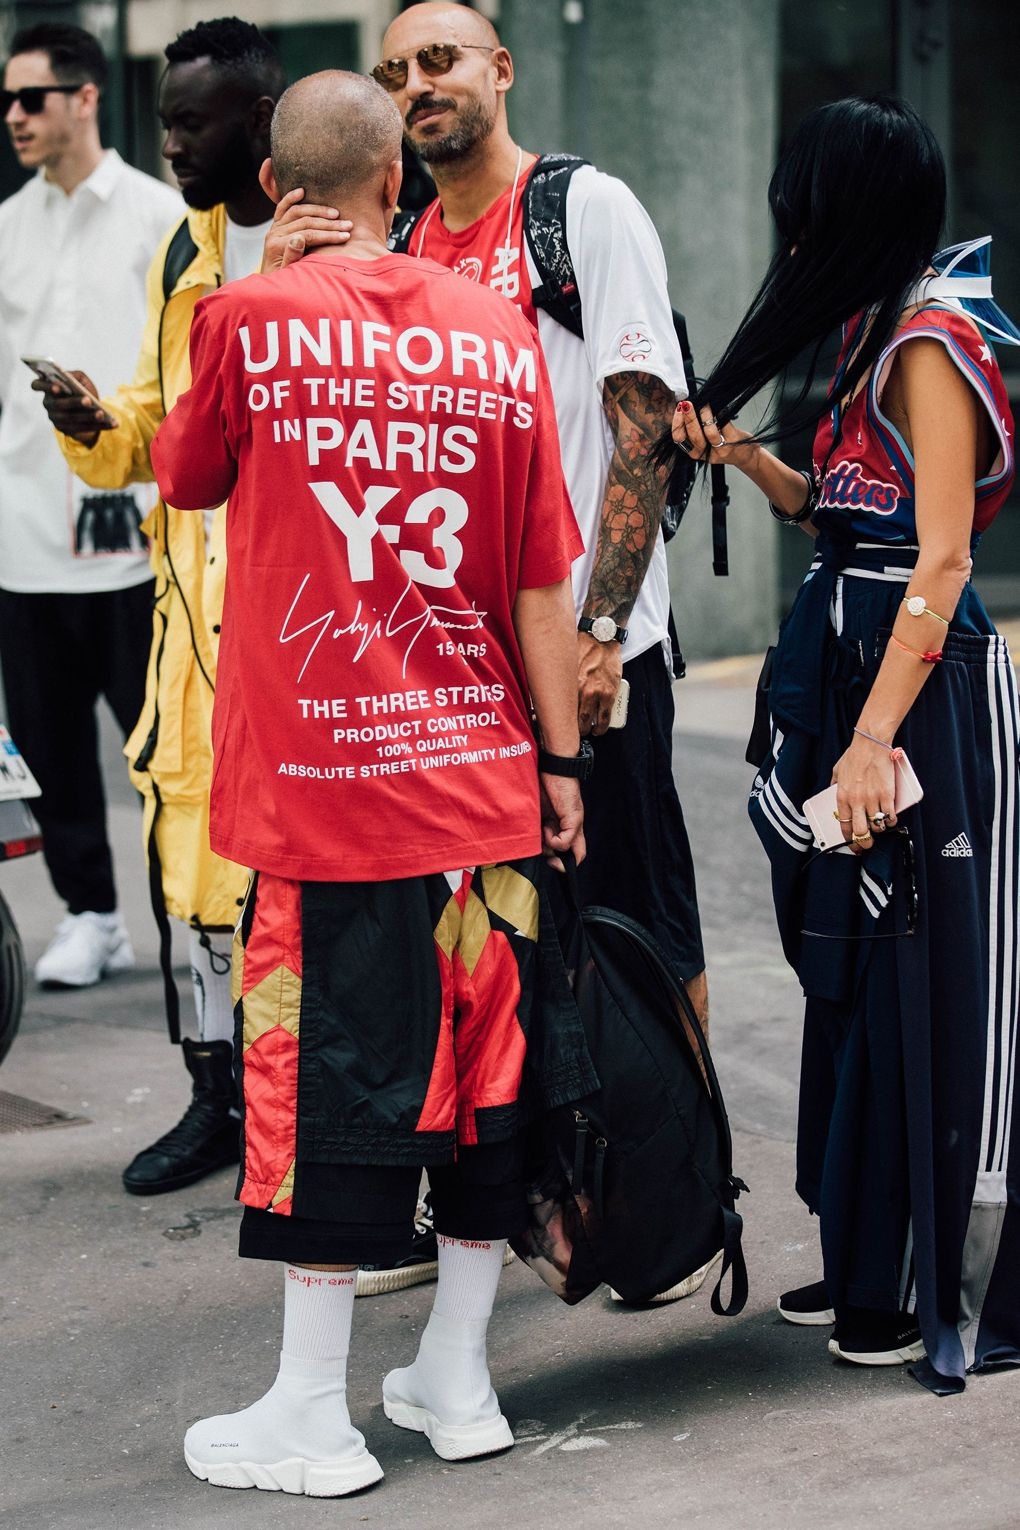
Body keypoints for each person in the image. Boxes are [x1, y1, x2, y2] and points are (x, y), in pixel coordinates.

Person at [150, 67, 585, 1498]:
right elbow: (539, 572)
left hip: (329, 793)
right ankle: (456, 1381)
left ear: (277, 193)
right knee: (480, 1081)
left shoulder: (246, 317)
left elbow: (187, 476)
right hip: (479, 782)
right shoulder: (493, 327)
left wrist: (246, 305)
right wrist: (562, 759)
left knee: (326, 1086)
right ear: (398, 185)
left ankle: (311, 1415)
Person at [267, 0, 712, 1305]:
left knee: (636, 918)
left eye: (442, 58)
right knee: (478, 946)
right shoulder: (403, 239)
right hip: (452, 676)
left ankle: (678, 1191)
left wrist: (599, 630)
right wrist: (289, 283)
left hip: (589, 649)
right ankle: (521, 1196)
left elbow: (647, 428)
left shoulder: (586, 213)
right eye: (397, 70)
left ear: (502, 71)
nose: (421, 83)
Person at [670, 95, 1020, 1393]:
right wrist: (748, 462)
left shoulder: (930, 335)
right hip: (858, 669)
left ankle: (923, 1271)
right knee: (855, 974)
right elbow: (848, 513)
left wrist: (872, 741)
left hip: (915, 692)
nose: (787, 220)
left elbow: (942, 553)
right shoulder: (884, 323)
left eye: (800, 194)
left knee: (911, 975)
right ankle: (871, 1250)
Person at [39, 19, 286, 1198]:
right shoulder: (186, 259)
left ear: (262, 123)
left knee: (295, 885)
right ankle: (213, 1098)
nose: (174, 144)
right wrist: (100, 424)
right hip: (190, 627)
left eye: (196, 123)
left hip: (300, 624)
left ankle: (301, 1113)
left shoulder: (321, 246)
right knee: (185, 864)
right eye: (168, 121)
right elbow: (162, 418)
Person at [0, 24, 181, 988]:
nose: (15, 116)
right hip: (23, 536)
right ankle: (89, 915)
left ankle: (181, 916)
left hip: (134, 539)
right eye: (8, 101)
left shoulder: (159, 217)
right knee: (50, 746)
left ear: (85, 98)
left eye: (33, 97)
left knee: (157, 748)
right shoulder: (4, 228)